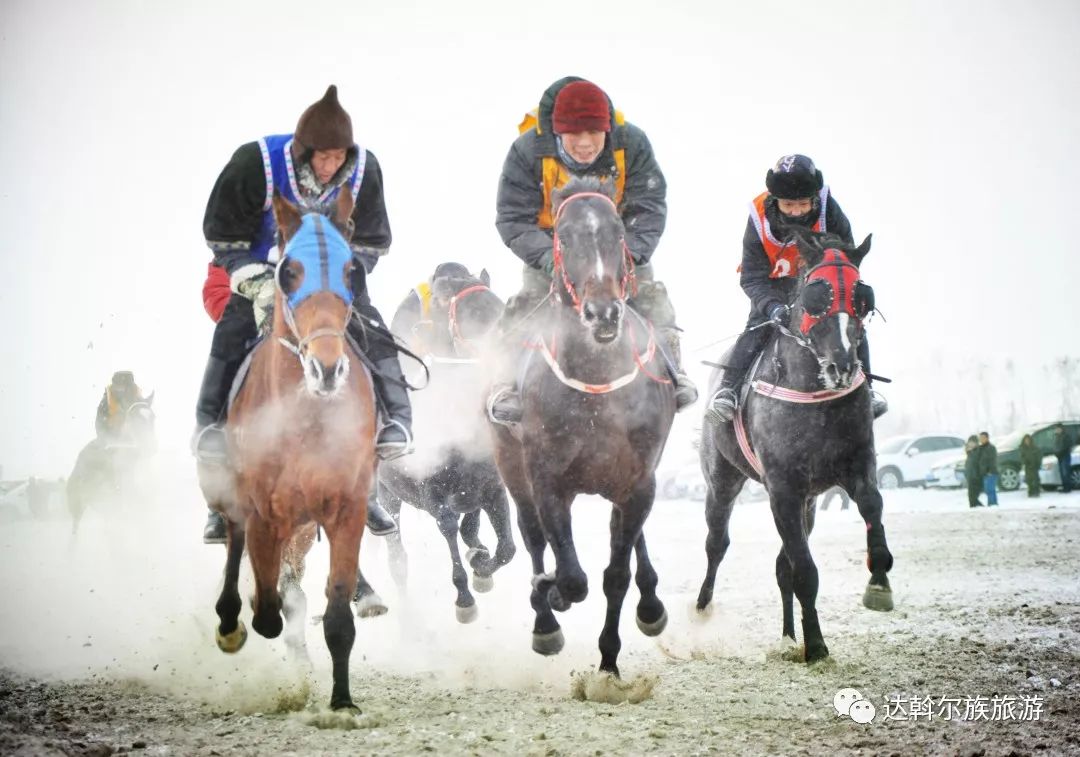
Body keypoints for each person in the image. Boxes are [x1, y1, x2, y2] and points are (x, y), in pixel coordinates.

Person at [195, 85, 407, 543]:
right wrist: (255, 281)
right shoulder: (256, 164)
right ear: (302, 151)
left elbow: (373, 241)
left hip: (331, 279)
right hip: (263, 270)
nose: (330, 167)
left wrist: (345, 276)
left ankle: (393, 424)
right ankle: (211, 429)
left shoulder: (364, 172)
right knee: (234, 328)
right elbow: (222, 235)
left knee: (372, 328)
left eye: (338, 157)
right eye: (322, 158)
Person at [487, 76, 698, 424]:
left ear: (607, 129)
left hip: (616, 248)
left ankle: (674, 372)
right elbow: (513, 217)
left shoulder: (632, 144)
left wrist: (629, 253)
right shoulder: (527, 151)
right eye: (574, 134)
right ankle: (504, 383)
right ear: (557, 132)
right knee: (525, 306)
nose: (585, 144)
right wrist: (548, 259)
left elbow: (649, 206)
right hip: (553, 251)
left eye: (594, 133)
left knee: (652, 298)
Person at [707, 154, 886, 423]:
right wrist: (772, 307)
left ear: (813, 200)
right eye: (788, 204)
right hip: (773, 288)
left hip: (820, 286)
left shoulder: (830, 211)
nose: (796, 212)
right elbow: (752, 277)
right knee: (756, 329)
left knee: (846, 323)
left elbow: (846, 261)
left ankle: (867, 389)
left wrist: (852, 294)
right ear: (775, 200)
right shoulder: (757, 219)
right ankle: (728, 390)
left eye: (803, 204)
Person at [95, 371, 143, 444]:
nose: (121, 390)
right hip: (111, 441)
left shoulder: (139, 401)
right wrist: (105, 440)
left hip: (136, 441)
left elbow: (147, 423)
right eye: (118, 386)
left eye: (125, 386)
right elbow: (100, 424)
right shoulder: (106, 402)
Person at [1052, 423, 1074, 494]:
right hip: (1059, 456)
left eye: (1058, 428)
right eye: (1056, 429)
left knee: (1065, 472)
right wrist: (1055, 453)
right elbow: (1055, 446)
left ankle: (1068, 487)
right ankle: (1065, 486)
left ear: (1061, 429)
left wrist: (1060, 452)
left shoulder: (1066, 436)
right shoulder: (1056, 437)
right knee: (1062, 472)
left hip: (1065, 455)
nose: (1057, 430)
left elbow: (1067, 446)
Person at [1019, 433, 1042, 498]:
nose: (1027, 441)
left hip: (1035, 465)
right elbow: (1022, 457)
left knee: (1036, 479)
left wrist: (1038, 463)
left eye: (1028, 440)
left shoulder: (1035, 447)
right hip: (1027, 466)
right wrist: (1025, 462)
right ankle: (1030, 491)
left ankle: (1036, 491)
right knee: (1029, 479)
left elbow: (1039, 456)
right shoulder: (1022, 448)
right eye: (1026, 440)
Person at [979, 431, 998, 506]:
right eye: (980, 438)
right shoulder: (980, 448)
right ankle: (992, 504)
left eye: (983, 438)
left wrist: (990, 471)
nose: (981, 439)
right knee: (988, 490)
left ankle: (992, 504)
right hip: (984, 473)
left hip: (991, 472)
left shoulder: (991, 448)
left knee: (990, 489)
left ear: (987, 438)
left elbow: (993, 460)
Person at [964, 435, 983, 508]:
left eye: (973, 443)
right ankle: (977, 509)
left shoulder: (978, 451)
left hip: (976, 477)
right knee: (971, 497)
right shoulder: (969, 452)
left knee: (973, 497)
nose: (971, 444)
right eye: (970, 442)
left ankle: (981, 509)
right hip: (970, 477)